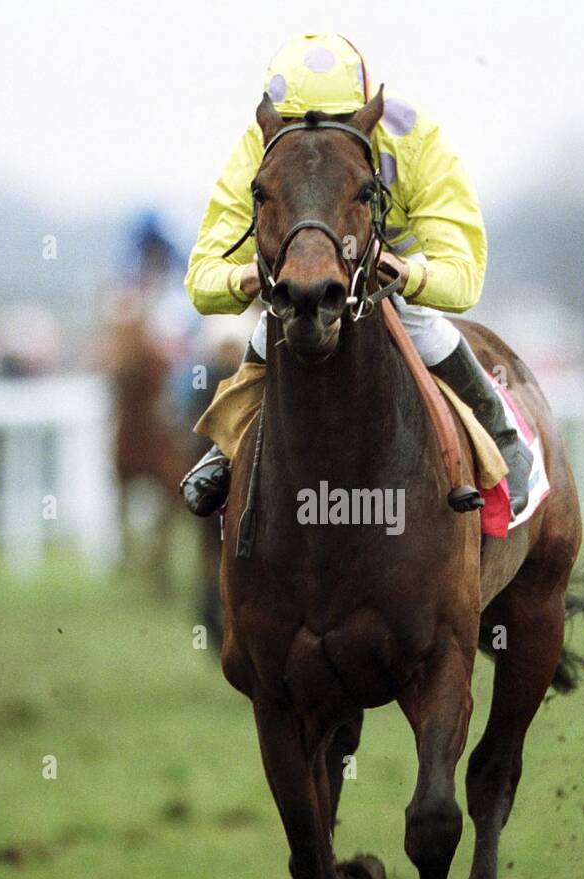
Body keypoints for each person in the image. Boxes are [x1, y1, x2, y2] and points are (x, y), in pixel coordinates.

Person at [179, 31, 531, 517]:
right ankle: (226, 446)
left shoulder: (415, 139)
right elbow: (201, 279)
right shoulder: (260, 147)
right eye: (297, 127)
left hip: (390, 274)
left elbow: (464, 276)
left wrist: (405, 272)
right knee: (268, 325)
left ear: (367, 116)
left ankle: (503, 439)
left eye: (341, 125)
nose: (315, 145)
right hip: (300, 277)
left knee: (421, 325)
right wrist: (249, 280)